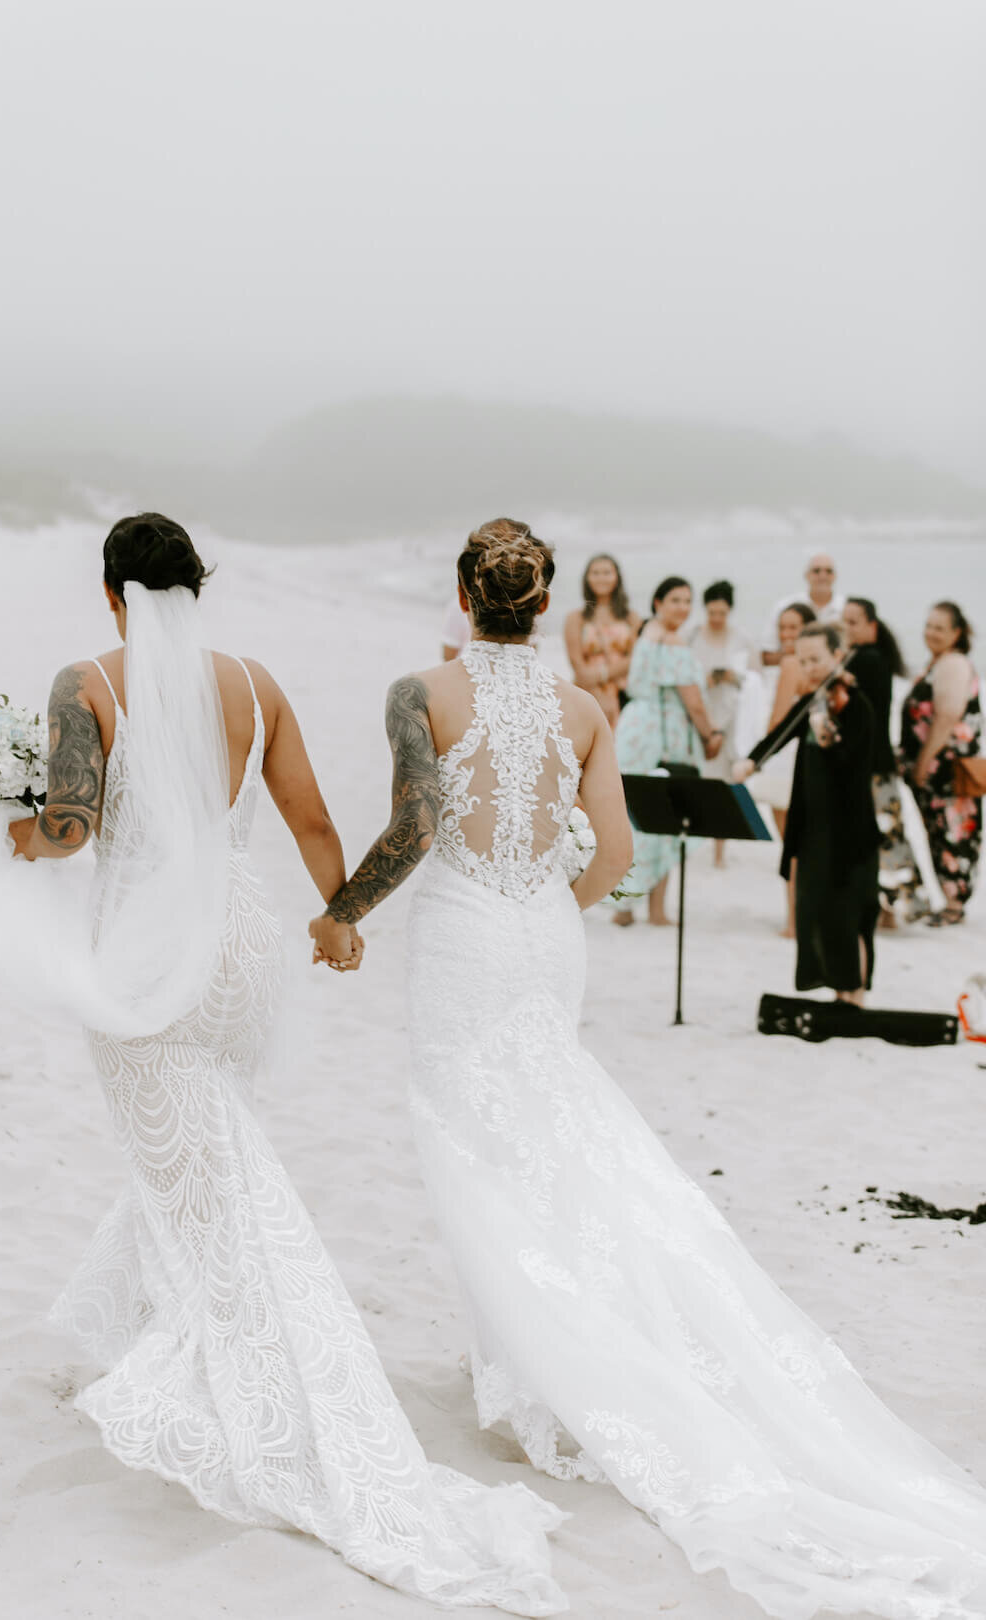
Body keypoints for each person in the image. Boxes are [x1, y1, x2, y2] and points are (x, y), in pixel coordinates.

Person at [312, 520, 986, 1620]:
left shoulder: (417, 691)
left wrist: (344, 912)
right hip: (544, 941)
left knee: (475, 1146)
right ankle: (542, 1347)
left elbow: (418, 824)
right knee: (552, 1130)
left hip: (467, 943)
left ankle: (542, 1360)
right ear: (548, 605)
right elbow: (616, 860)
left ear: (462, 594)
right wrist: (539, 904)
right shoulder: (583, 710)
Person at [1, 514, 565, 1614]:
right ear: (196, 592)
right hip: (247, 948)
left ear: (114, 594)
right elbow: (309, 816)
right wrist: (340, 920)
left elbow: (68, 828)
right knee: (206, 1145)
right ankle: (126, 1330)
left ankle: (252, 1384)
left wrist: (4, 826)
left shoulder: (87, 682)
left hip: (150, 952)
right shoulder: (254, 682)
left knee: (203, 1168)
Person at [735, 623, 880, 1006]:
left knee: (849, 912)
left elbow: (854, 762)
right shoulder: (815, 701)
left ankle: (856, 997)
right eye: (803, 661)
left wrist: (826, 726)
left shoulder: (855, 703)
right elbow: (780, 733)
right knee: (821, 910)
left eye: (816, 659)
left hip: (848, 828)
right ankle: (838, 993)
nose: (810, 667)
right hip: (814, 825)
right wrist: (752, 761)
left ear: (838, 654)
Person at [612, 576, 723, 924]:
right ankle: (655, 910)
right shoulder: (673, 642)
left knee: (636, 817)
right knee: (664, 820)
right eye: (675, 600)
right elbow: (694, 703)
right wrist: (710, 735)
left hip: (635, 728)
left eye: (688, 601)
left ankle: (625, 904)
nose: (683, 607)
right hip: (662, 733)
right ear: (657, 603)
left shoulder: (646, 636)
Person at [899, 600, 982, 927]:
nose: (931, 633)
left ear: (957, 633)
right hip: (937, 769)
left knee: (953, 833)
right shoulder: (937, 662)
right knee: (938, 832)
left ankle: (954, 904)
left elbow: (947, 717)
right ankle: (950, 901)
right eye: (929, 626)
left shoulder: (953, 663)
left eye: (940, 628)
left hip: (946, 769)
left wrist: (922, 763)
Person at [842, 597, 911, 928]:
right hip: (877, 763)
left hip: (873, 766)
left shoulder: (866, 660)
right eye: (844, 622)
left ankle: (889, 911)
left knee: (883, 837)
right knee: (886, 836)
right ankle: (888, 910)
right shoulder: (869, 658)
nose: (847, 628)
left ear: (872, 625)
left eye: (853, 621)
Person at [748, 601, 816, 935]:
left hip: (783, 766)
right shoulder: (818, 664)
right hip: (803, 760)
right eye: (783, 628)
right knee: (804, 845)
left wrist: (756, 757)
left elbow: (778, 721)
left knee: (791, 847)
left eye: (794, 628)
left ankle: (794, 921)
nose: (787, 634)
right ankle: (802, 917)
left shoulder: (791, 664)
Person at [687, 580, 758, 866]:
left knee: (725, 784)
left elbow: (754, 682)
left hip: (731, 719)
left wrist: (731, 677)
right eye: (712, 612)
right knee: (700, 780)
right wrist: (707, 680)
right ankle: (695, 839)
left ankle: (720, 850)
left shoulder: (742, 639)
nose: (717, 618)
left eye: (722, 613)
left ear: (729, 611)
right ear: (705, 610)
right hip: (699, 715)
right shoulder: (692, 636)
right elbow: (685, 678)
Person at [563, 553, 641, 729]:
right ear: (587, 578)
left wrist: (603, 675)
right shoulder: (575, 618)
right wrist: (600, 695)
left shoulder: (631, 618)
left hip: (626, 693)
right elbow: (577, 665)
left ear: (617, 577)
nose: (601, 578)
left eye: (607, 572)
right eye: (595, 573)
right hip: (587, 693)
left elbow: (636, 659)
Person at [760, 551, 844, 666]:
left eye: (828, 571)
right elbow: (766, 655)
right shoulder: (784, 606)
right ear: (806, 575)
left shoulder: (846, 608)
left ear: (835, 576)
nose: (822, 576)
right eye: (816, 571)